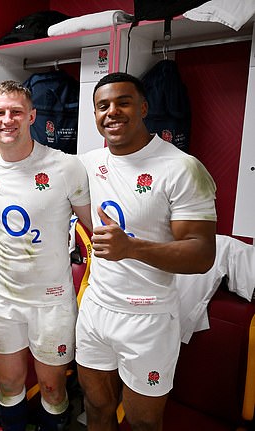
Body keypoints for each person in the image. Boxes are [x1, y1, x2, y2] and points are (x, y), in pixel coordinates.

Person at [75, 72, 217, 431]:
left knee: (142, 423)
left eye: (123, 102)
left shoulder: (182, 168)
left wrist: (132, 248)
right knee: (95, 407)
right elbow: (36, 165)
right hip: (95, 310)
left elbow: (202, 255)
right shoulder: (87, 163)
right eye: (102, 106)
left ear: (143, 107)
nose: (112, 112)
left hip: (148, 318)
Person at [0, 80, 92, 431]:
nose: (7, 119)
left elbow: (93, 228)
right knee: (9, 386)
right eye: (0, 113)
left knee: (53, 389)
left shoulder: (66, 167)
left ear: (32, 116)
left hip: (51, 301)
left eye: (16, 112)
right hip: (4, 297)